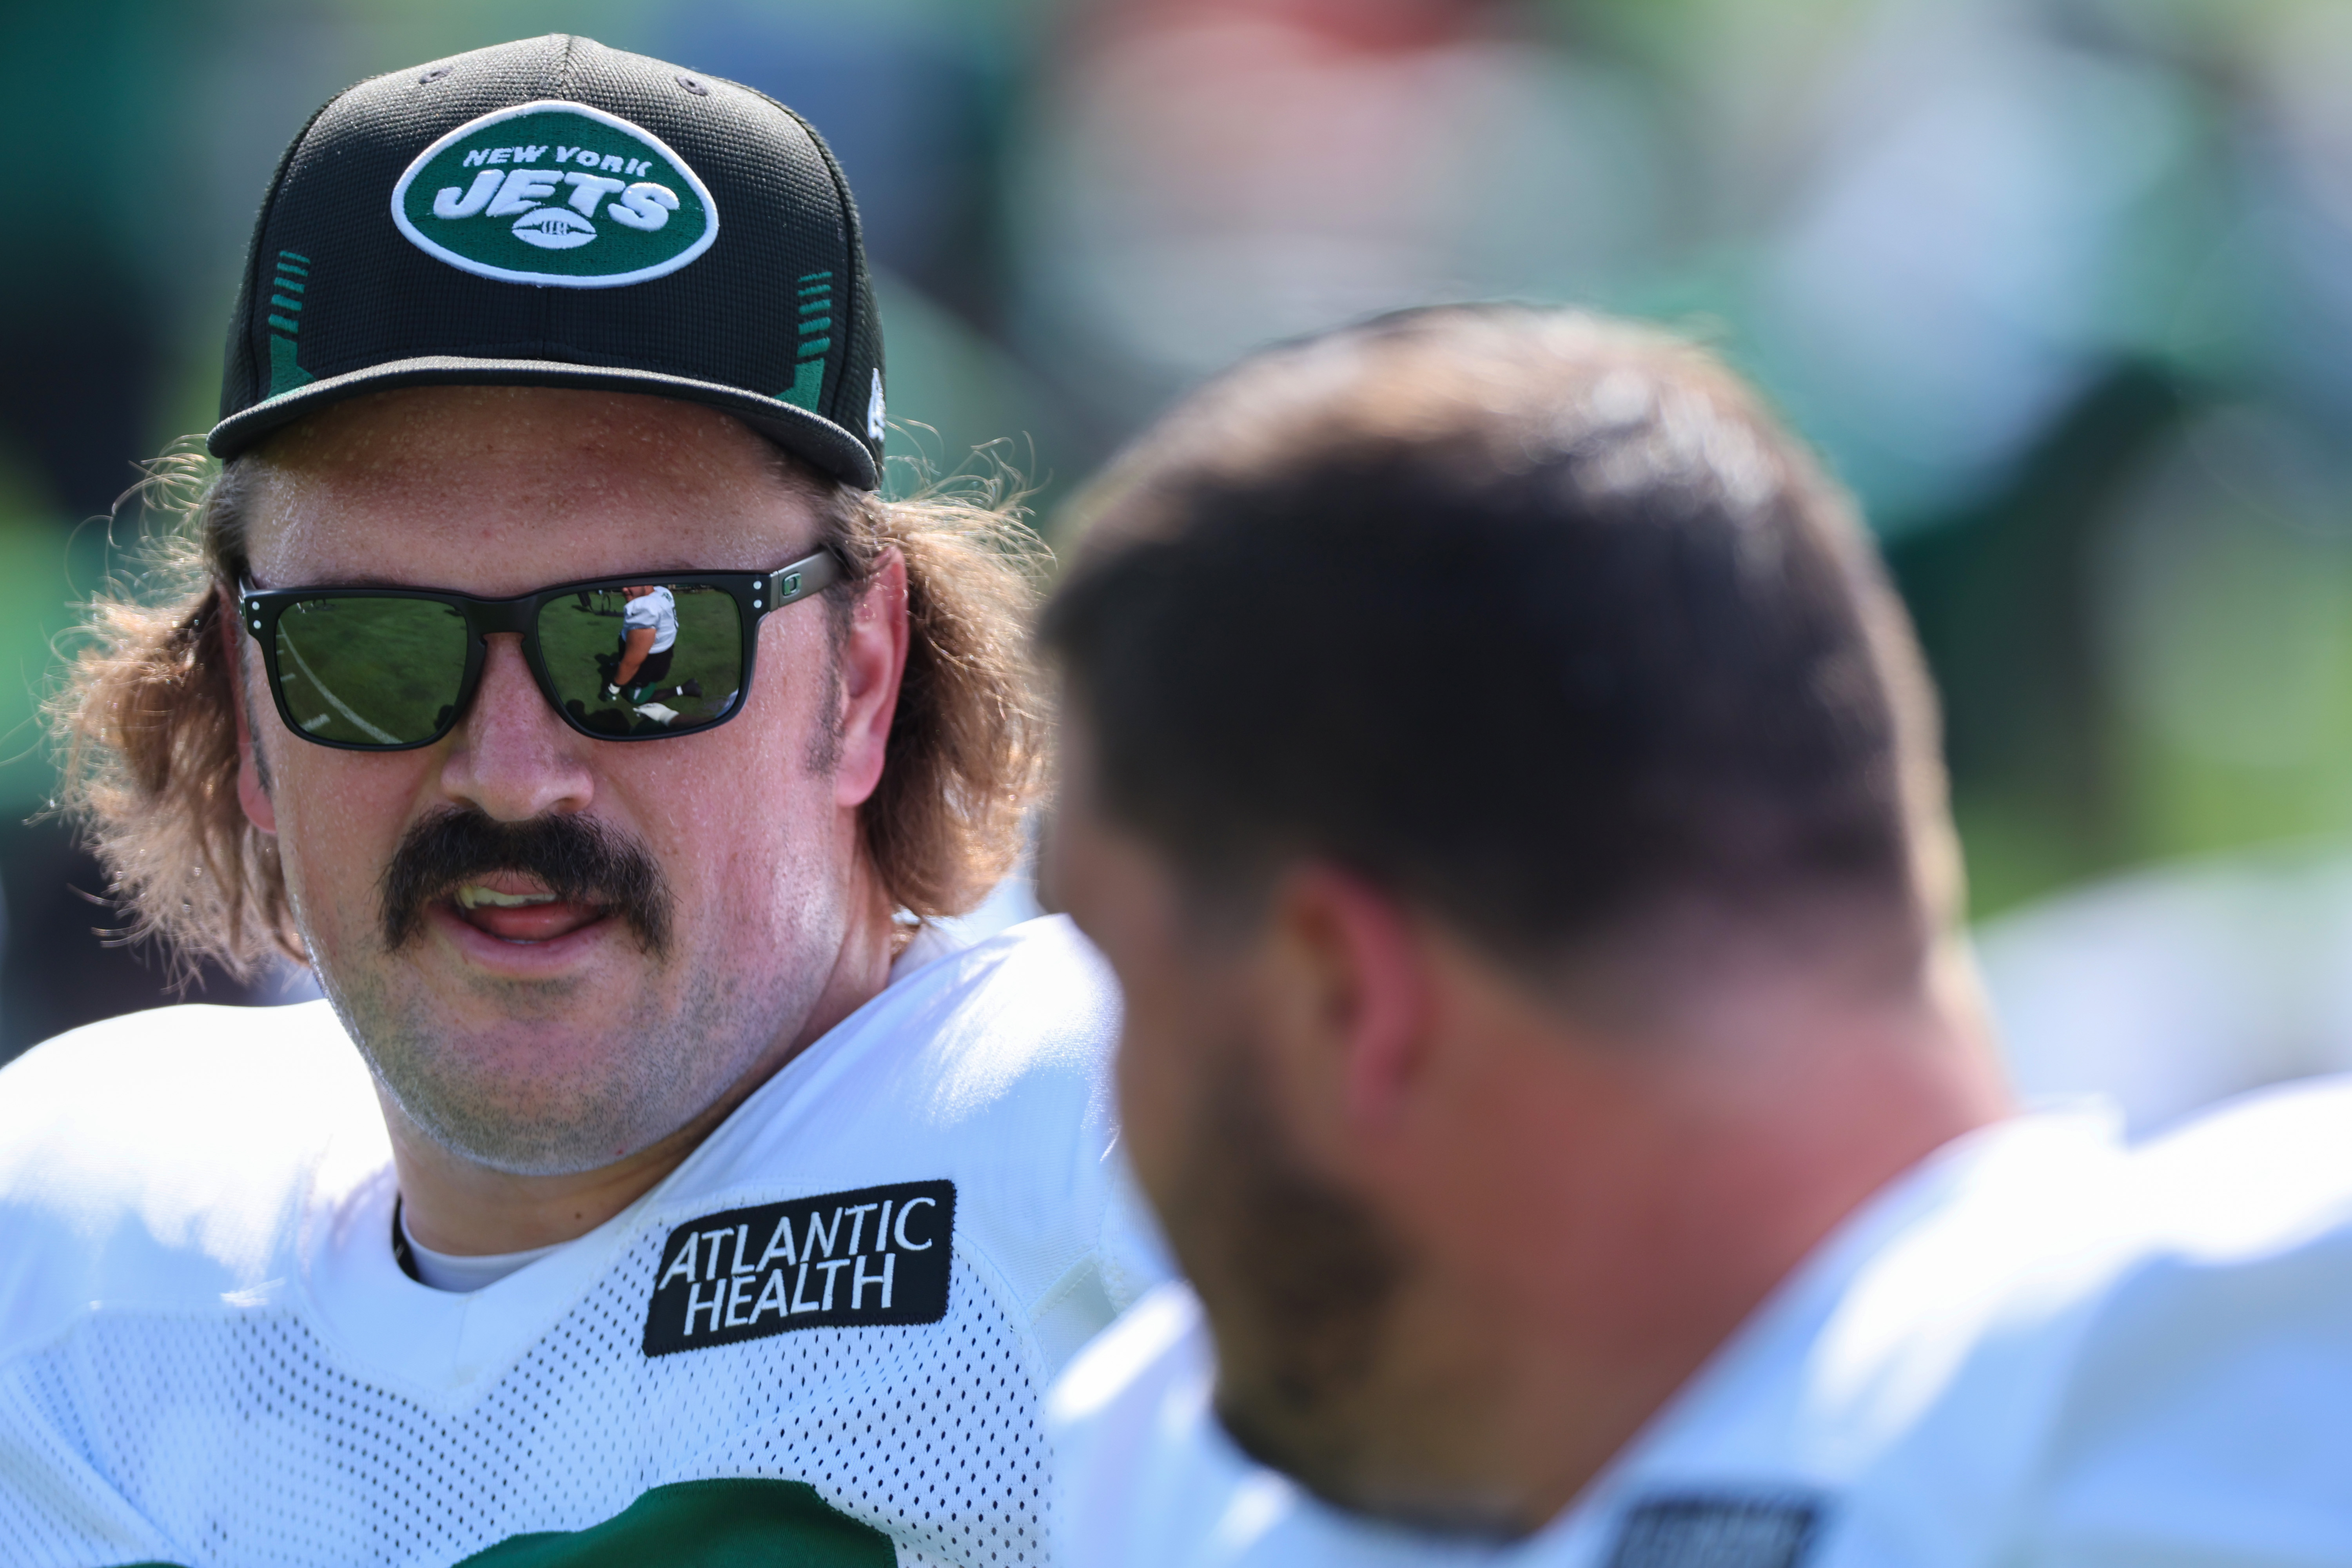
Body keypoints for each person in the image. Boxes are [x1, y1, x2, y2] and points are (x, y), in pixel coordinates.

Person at [0, 36, 1163, 1565]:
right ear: (242, 698)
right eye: (370, 646)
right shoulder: (71, 1252)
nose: (509, 768)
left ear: (863, 676)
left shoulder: (1110, 1143)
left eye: (646, 642)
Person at [1036, 306, 2352, 1565]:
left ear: (1343, 998)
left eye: (1118, 975)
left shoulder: (2217, 1338)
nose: (1103, 1087)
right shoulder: (1174, 1482)